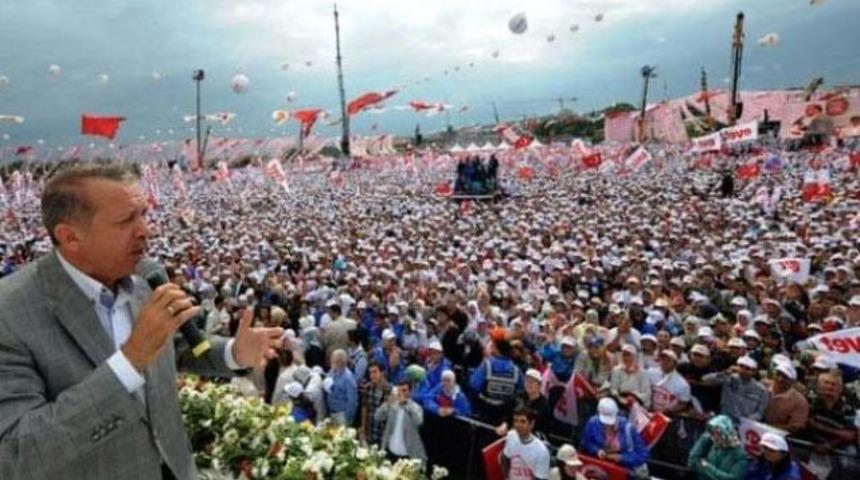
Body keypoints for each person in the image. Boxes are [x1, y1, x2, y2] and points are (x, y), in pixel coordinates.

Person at [0, 164, 284, 480]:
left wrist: (233, 352)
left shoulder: (143, 276)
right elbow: (16, 453)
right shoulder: (9, 314)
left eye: (143, 214)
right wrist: (130, 360)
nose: (145, 231)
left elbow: (173, 347)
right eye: (125, 221)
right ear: (70, 237)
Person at [581, 398, 650, 478]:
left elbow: (643, 455)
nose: (608, 425)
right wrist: (597, 450)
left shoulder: (628, 429)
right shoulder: (592, 423)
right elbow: (587, 442)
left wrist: (622, 457)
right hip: (600, 468)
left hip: (623, 470)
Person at [702, 355, 769, 422]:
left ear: (754, 372)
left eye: (747, 369)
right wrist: (724, 373)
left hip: (745, 424)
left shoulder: (761, 390)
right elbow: (705, 379)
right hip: (724, 420)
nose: (743, 370)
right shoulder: (728, 378)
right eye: (741, 367)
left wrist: (747, 421)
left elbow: (760, 412)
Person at [375, 379, 427, 464]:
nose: (401, 393)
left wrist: (407, 404)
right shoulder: (392, 405)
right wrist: (387, 404)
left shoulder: (416, 407)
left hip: (407, 455)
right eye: (399, 390)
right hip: (389, 451)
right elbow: (377, 416)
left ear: (410, 392)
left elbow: (419, 421)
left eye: (404, 390)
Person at [686, 415, 749, 480]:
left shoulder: (740, 456)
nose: (714, 437)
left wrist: (706, 467)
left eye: (718, 433)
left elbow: (732, 478)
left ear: (727, 433)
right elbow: (692, 462)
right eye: (712, 433)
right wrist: (704, 439)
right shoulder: (710, 443)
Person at [501, 407, 551, 480]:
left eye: (523, 421)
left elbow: (541, 478)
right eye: (516, 421)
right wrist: (506, 477)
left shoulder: (541, 451)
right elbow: (505, 458)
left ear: (532, 424)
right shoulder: (511, 436)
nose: (518, 425)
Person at [764, 363, 809, 434]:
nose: (780, 379)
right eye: (778, 374)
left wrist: (766, 427)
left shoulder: (800, 401)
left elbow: (796, 426)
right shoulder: (762, 386)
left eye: (785, 377)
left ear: (793, 381)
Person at [324, 349, 358, 426]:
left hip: (342, 415)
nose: (330, 362)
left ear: (340, 362)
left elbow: (352, 401)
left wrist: (347, 418)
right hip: (332, 412)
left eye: (333, 361)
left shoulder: (348, 378)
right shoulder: (332, 371)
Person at [360, 362, 389, 446]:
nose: (372, 375)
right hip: (370, 428)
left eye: (375, 372)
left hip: (383, 430)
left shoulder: (389, 390)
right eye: (370, 373)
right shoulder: (367, 388)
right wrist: (363, 428)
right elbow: (364, 409)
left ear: (382, 373)